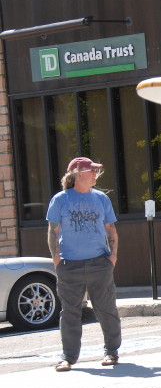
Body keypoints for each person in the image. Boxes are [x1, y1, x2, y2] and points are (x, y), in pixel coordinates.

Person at [47, 157, 121, 372]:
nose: (95, 175)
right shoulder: (60, 199)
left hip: (100, 263)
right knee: (70, 312)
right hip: (69, 265)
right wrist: (57, 260)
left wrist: (112, 256)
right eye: (92, 171)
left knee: (106, 308)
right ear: (79, 174)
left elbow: (111, 229)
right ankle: (68, 358)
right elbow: (53, 231)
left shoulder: (101, 199)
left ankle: (111, 351)